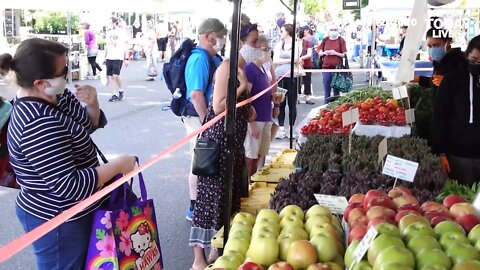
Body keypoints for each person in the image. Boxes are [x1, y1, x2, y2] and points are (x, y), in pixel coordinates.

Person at [0, 38, 136, 270]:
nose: (68, 75)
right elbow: (70, 187)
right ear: (41, 83)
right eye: (63, 72)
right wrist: (118, 166)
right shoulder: (37, 123)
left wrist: (92, 104)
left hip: (77, 210)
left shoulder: (55, 96)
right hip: (58, 219)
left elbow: (85, 125)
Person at [189, 48, 251, 270]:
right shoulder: (227, 67)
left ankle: (217, 249)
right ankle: (199, 259)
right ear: (242, 44)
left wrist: (248, 105)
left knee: (227, 199)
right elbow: (218, 107)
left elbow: (238, 106)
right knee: (210, 199)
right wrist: (243, 88)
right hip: (219, 145)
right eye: (255, 43)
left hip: (232, 146)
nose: (261, 50)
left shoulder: (240, 69)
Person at [183, 18, 225, 222]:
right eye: (220, 36)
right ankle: (194, 206)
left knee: (207, 159)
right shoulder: (199, 59)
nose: (223, 40)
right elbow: (196, 94)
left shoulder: (213, 57)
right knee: (200, 160)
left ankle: (203, 203)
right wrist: (207, 123)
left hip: (208, 117)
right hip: (199, 117)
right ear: (208, 36)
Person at [433, 35, 479, 186]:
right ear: (466, 56)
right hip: (457, 155)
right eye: (473, 60)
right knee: (461, 201)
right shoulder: (452, 80)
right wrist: (441, 152)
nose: (476, 64)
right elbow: (440, 116)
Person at [243, 38, 274, 177]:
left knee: (259, 154)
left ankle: (251, 183)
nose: (268, 52)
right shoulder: (250, 69)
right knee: (250, 156)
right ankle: (245, 187)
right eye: (265, 49)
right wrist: (251, 124)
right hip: (256, 120)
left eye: (269, 49)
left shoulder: (262, 68)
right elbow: (246, 96)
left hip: (266, 116)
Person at [273, 23, 302, 139]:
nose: (281, 33)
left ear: (288, 32)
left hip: (293, 77)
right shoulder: (279, 44)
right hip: (280, 77)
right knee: (280, 102)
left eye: (283, 31)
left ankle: (291, 128)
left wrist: (286, 60)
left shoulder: (297, 45)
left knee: (292, 103)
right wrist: (289, 60)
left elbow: (296, 58)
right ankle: (280, 128)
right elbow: (275, 60)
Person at [317, 23, 347, 104]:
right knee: (327, 91)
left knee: (336, 92)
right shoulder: (325, 40)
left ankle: (336, 109)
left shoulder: (341, 40)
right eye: (331, 30)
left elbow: (344, 55)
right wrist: (324, 53)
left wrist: (335, 53)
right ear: (328, 31)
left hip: (337, 69)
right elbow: (319, 53)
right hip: (326, 68)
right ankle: (325, 109)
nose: (333, 31)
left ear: (338, 31)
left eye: (335, 30)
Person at [104, 17, 129, 102]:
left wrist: (126, 58)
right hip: (109, 56)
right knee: (111, 76)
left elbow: (125, 46)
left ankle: (121, 90)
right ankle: (114, 94)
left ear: (115, 23)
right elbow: (107, 46)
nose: (110, 25)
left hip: (118, 56)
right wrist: (105, 57)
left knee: (116, 75)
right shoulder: (109, 33)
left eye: (111, 23)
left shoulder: (121, 32)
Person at [299, 27, 314, 104]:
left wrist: (300, 58)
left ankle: (307, 97)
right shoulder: (294, 43)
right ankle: (297, 97)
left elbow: (309, 54)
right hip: (297, 64)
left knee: (307, 80)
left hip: (306, 64)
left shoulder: (307, 42)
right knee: (297, 81)